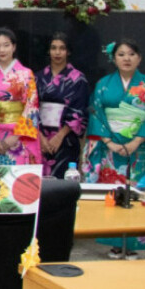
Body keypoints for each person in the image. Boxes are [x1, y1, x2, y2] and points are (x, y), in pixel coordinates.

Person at [83, 39, 145, 259]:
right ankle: (115, 242)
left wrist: (136, 141)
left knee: (138, 193)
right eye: (121, 54)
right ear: (114, 58)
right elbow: (97, 113)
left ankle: (134, 243)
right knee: (113, 192)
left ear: (139, 58)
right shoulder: (103, 84)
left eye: (131, 54)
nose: (126, 58)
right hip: (110, 149)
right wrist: (109, 142)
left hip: (141, 149)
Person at [0, 27, 41, 166]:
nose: (2, 50)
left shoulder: (26, 74)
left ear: (14, 47)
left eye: (6, 45)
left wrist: (16, 136)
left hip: (19, 135)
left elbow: (31, 107)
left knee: (19, 177)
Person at [35, 32, 88, 179]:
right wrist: (40, 136)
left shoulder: (78, 79)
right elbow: (31, 109)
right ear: (48, 51)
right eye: (53, 48)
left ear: (68, 51)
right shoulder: (37, 78)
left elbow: (79, 111)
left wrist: (59, 136)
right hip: (40, 137)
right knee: (38, 182)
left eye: (62, 48)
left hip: (65, 139)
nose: (57, 52)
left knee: (64, 181)